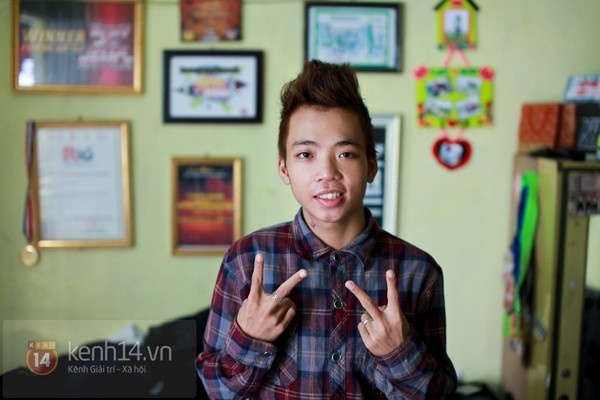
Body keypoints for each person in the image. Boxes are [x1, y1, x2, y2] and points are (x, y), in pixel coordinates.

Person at [196, 60, 457, 399]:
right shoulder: (245, 260)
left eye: (346, 153)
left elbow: (440, 395)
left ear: (371, 165)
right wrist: (250, 337)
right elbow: (216, 391)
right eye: (306, 154)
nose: (327, 172)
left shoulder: (418, 272)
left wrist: (399, 353)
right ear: (284, 169)